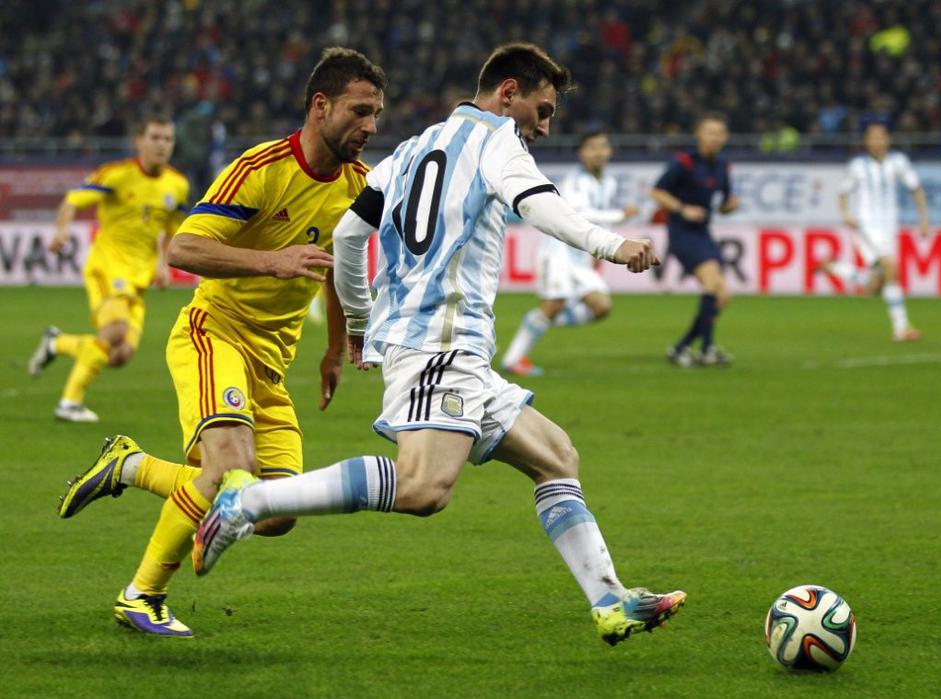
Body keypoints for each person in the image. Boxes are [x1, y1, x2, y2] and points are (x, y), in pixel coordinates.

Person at [192, 43, 685, 647]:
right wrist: (613, 245)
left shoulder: (408, 150)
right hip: (441, 344)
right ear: (508, 93)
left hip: (446, 347)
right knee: (423, 488)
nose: (544, 127)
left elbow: (348, 237)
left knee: (557, 456)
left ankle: (610, 600)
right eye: (542, 110)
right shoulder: (497, 140)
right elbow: (538, 204)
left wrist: (359, 321)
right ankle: (249, 501)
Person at [55, 48, 387, 636]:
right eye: (360, 111)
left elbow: (340, 268)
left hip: (271, 364)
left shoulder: (360, 186)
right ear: (320, 105)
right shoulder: (261, 168)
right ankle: (142, 595)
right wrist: (271, 260)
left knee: (275, 510)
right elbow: (183, 248)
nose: (371, 126)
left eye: (377, 114)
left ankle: (129, 466)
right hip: (215, 334)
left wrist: (336, 349)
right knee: (231, 470)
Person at [28, 116, 189, 421]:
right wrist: (62, 231)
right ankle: (69, 403)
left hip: (139, 276)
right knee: (115, 331)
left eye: (167, 139)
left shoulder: (177, 185)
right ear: (139, 141)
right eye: (155, 137)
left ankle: (56, 343)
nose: (162, 145)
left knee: (120, 354)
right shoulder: (117, 174)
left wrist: (163, 263)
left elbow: (172, 228)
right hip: (108, 265)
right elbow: (72, 201)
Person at [500, 130, 639, 376]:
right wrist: (620, 215)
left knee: (601, 307)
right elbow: (579, 215)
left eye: (602, 147)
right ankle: (513, 359)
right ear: (581, 153)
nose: (598, 153)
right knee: (555, 302)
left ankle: (537, 320)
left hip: (579, 257)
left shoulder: (608, 183)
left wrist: (598, 252)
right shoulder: (574, 182)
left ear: (609, 151)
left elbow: (598, 224)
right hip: (557, 252)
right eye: (592, 148)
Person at [821, 122, 930, 341]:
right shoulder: (858, 166)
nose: (876, 142)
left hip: (889, 227)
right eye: (872, 138)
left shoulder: (898, 161)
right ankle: (901, 329)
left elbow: (916, 188)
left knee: (877, 284)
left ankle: (835, 268)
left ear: (888, 139)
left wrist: (923, 219)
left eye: (880, 137)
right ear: (866, 142)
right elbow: (842, 193)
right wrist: (846, 214)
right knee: (891, 267)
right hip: (867, 226)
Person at [651, 113, 739, 368]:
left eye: (719, 133)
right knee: (712, 283)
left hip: (703, 233)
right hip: (681, 233)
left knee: (723, 295)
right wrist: (682, 209)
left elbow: (724, 205)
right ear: (698, 134)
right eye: (710, 132)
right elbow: (657, 192)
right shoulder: (684, 162)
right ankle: (706, 349)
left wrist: (730, 207)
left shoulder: (723, 166)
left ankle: (684, 347)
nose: (715, 138)